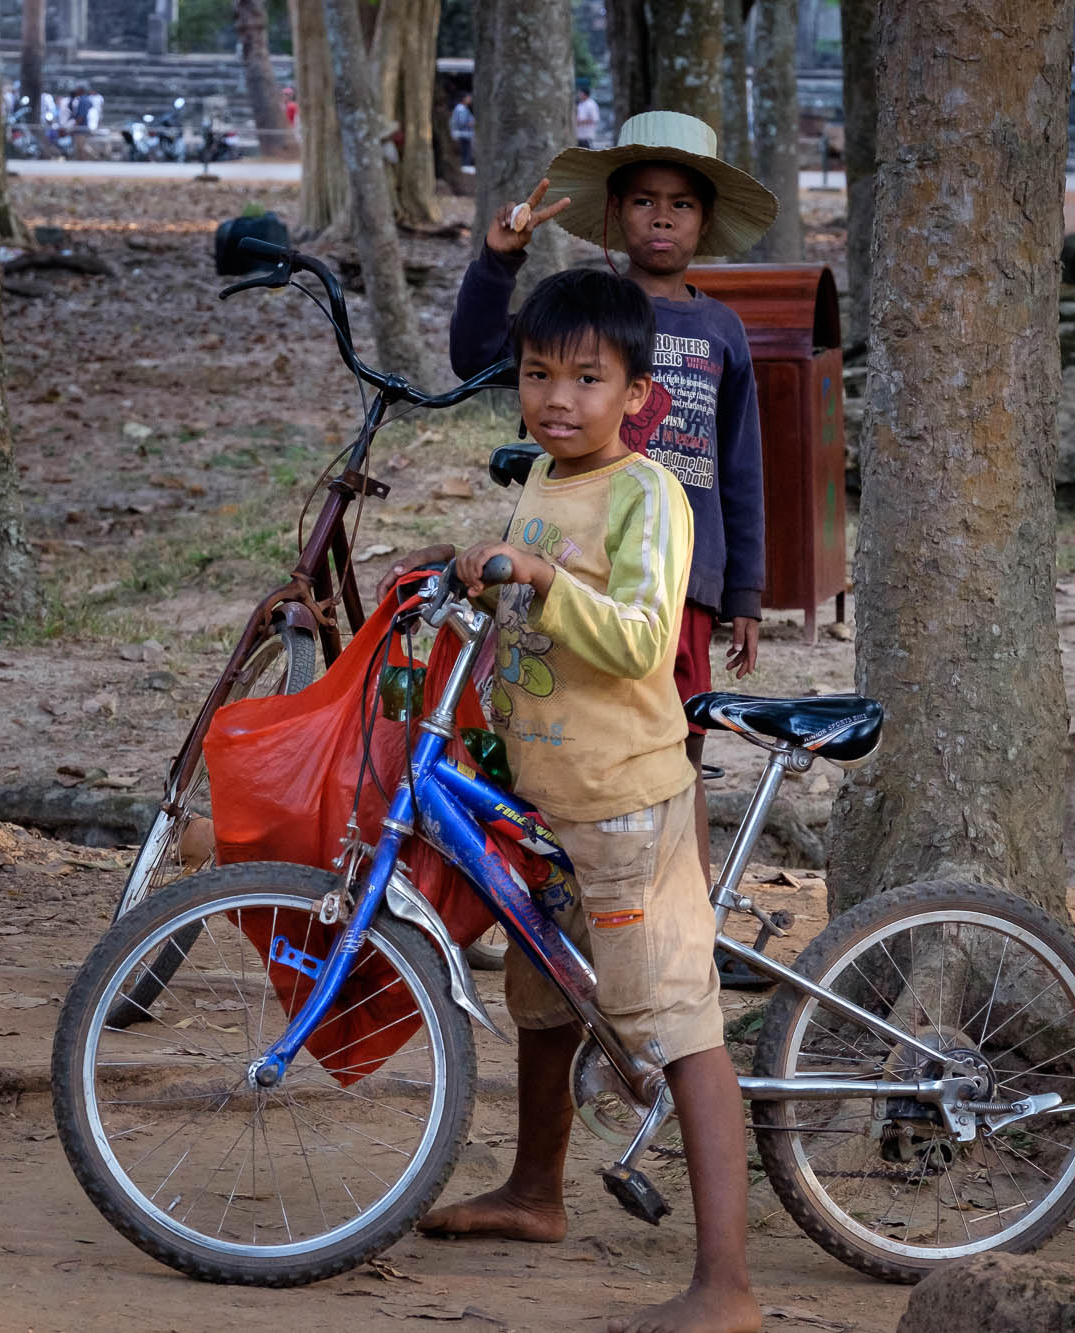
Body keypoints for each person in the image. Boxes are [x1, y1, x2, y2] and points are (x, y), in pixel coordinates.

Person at [376, 268, 759, 1333]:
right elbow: (524, 588)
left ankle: (724, 1284)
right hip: (545, 803)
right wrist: (461, 570)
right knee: (542, 1006)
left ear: (639, 394)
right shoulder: (545, 478)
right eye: (539, 374)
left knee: (677, 1027)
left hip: (628, 805)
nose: (558, 396)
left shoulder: (649, 494)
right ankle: (534, 1192)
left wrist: (540, 582)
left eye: (587, 378)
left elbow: (641, 637)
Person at [442, 110, 774, 893]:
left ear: (706, 220)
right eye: (642, 201)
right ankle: (555, 903)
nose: (661, 216)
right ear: (614, 215)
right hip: (569, 558)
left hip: (680, 583)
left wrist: (747, 592)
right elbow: (474, 355)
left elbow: (741, 466)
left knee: (674, 750)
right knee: (558, 737)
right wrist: (498, 260)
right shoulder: (581, 313)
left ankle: (687, 912)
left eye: (681, 203)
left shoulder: (723, 330)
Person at [449, 91, 474, 166]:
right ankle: (465, 165)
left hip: (464, 134)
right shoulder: (461, 109)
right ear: (464, 99)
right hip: (462, 134)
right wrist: (472, 123)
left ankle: (465, 165)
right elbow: (462, 122)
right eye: (468, 98)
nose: (470, 99)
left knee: (466, 151)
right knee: (465, 151)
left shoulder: (463, 108)